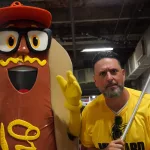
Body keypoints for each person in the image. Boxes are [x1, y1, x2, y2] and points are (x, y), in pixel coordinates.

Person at [0, 1, 78, 150]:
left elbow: (72, 132)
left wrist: (73, 108)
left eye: (35, 39)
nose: (23, 49)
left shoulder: (54, 78)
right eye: (10, 40)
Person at [57, 51, 150, 150]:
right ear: (95, 81)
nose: (109, 78)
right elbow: (87, 147)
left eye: (114, 71)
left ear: (123, 75)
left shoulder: (147, 104)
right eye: (103, 73)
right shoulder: (89, 112)